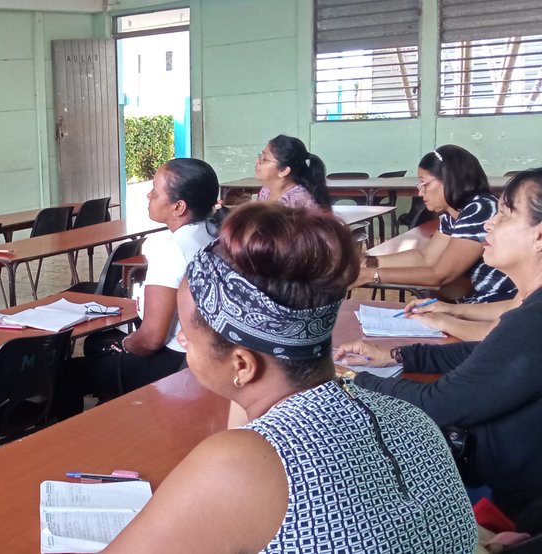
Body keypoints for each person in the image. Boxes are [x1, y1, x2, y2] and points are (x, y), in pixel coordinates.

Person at [105, 203, 476, 553]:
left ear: (242, 365)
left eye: (187, 332)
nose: (182, 341)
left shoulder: (243, 464)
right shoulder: (413, 422)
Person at [335, 168, 542, 532]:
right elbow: (485, 354)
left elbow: (435, 404)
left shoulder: (533, 322)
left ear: (539, 236)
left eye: (506, 214)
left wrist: (356, 381)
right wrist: (399, 355)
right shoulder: (527, 315)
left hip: (502, 503)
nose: (489, 225)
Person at [56, 159, 220, 416]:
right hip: (205, 355)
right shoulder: (214, 234)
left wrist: (127, 344)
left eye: (155, 190)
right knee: (96, 346)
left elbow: (152, 338)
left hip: (176, 362)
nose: (149, 194)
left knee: (68, 374)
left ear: (178, 206)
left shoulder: (174, 250)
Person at [353, 144, 516, 303]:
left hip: (500, 303)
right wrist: (367, 261)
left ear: (450, 180)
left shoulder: (480, 209)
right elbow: (426, 257)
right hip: (479, 299)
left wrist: (371, 275)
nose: (420, 191)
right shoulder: (452, 213)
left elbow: (440, 274)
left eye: (425, 183)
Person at [254, 134, 331, 211]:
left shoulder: (296, 200)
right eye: (260, 156)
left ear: (284, 171)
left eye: (264, 159)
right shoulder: (266, 191)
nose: (257, 162)